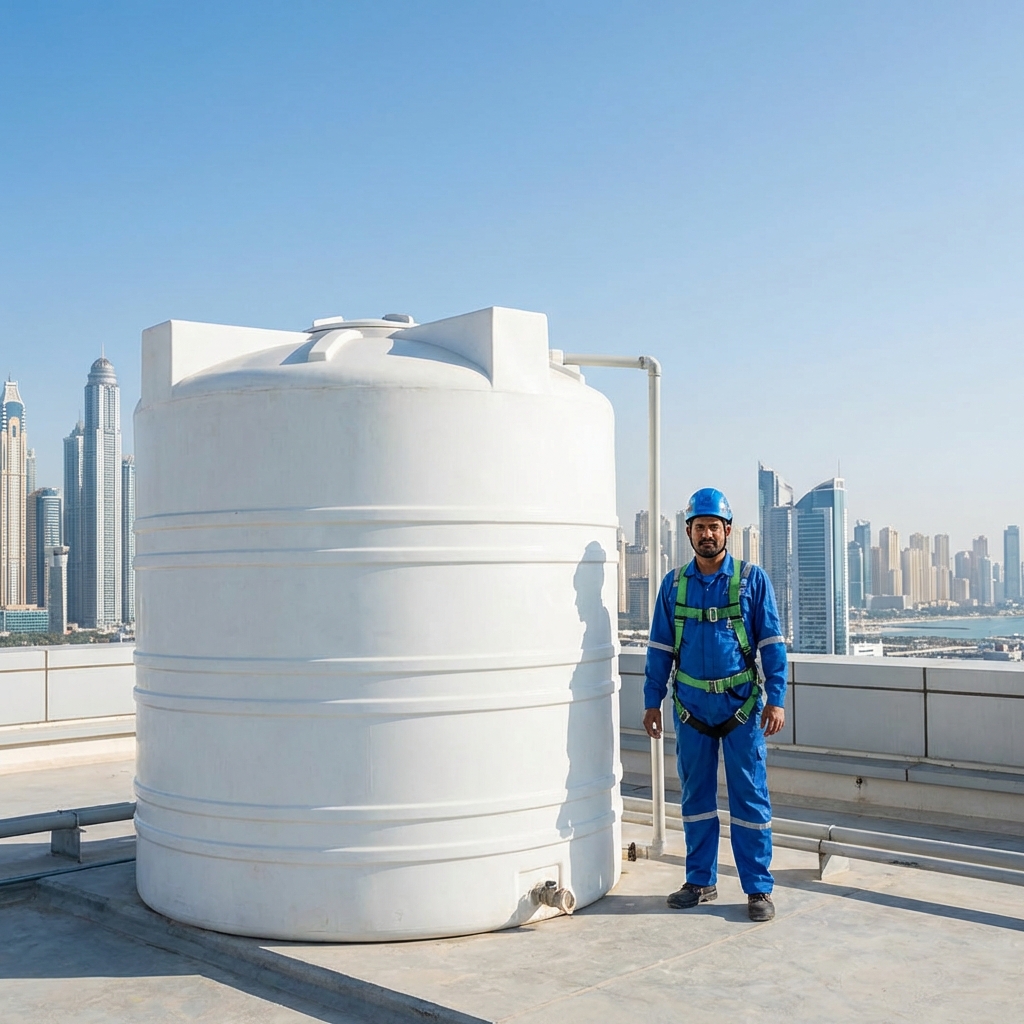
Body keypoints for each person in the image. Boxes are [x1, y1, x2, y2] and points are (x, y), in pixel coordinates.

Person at [642, 487, 787, 922]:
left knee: (750, 798)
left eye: (714, 526)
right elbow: (659, 648)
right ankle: (699, 880)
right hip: (691, 711)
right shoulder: (674, 585)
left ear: (728, 531)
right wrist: (652, 701)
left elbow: (772, 644)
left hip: (741, 710)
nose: (707, 534)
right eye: (700, 526)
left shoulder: (751, 580)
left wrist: (776, 699)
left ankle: (758, 888)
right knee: (696, 798)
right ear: (689, 531)